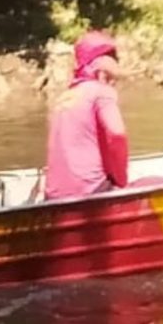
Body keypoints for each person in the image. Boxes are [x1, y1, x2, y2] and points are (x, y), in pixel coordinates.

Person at [44, 31, 129, 200]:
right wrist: (122, 180)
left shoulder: (65, 97)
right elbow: (117, 134)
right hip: (89, 193)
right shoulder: (101, 92)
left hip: (53, 197)